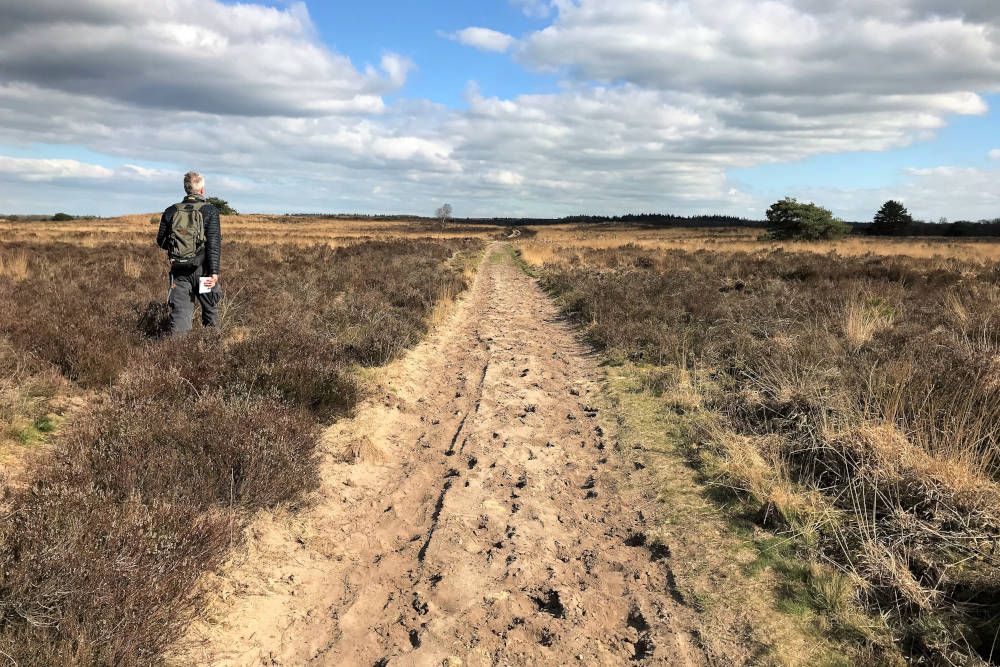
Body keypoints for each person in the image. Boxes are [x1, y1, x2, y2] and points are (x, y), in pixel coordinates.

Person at [156, 171, 223, 333]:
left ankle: (177, 353)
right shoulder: (210, 211)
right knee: (210, 312)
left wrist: (178, 248)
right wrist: (214, 272)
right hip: (204, 272)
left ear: (186, 189)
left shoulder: (171, 211)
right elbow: (213, 244)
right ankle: (213, 350)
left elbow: (161, 241)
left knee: (180, 317)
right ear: (202, 190)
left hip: (179, 271)